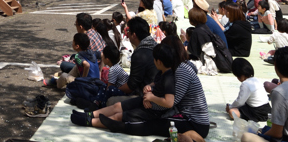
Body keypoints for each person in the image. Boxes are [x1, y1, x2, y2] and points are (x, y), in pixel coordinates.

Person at [74, 41, 211, 140]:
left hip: (192, 121)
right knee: (119, 106)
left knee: (149, 124)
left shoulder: (181, 71)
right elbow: (157, 85)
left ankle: (109, 124)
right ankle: (91, 115)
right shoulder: (170, 69)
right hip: (161, 103)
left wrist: (149, 99)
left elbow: (171, 102)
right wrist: (149, 90)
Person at [185, 6, 234, 74]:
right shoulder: (205, 27)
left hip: (208, 63)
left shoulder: (197, 32)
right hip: (216, 59)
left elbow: (192, 53)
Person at [227, 58, 271, 123]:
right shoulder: (256, 79)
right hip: (267, 109)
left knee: (232, 112)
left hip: (256, 112)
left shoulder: (245, 84)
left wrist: (230, 107)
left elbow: (240, 102)